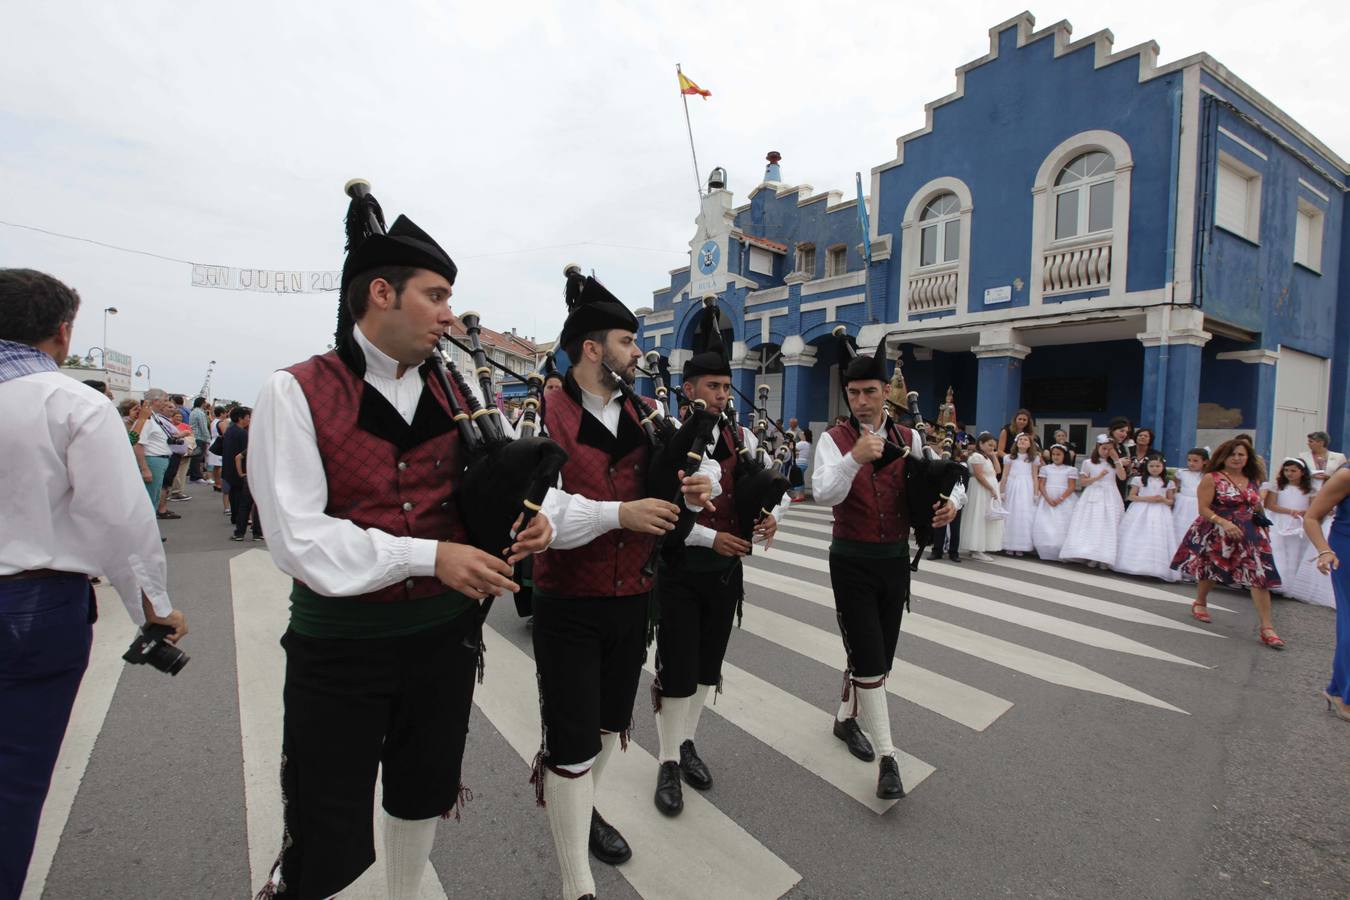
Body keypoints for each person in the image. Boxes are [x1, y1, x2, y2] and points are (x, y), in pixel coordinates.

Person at [247, 193, 551, 899]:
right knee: (325, 820)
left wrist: (533, 522)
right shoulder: (293, 392)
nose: (450, 313)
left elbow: (493, 487)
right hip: (341, 648)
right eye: (436, 295)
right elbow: (297, 539)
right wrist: (429, 557)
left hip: (443, 642)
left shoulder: (460, 386)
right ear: (381, 293)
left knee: (422, 790)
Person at [0, 269, 186, 899]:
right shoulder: (72, 402)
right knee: (11, 782)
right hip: (29, 606)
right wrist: (155, 611)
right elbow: (118, 520)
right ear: (62, 331)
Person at [530, 267, 715, 900]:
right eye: (626, 343)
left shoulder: (642, 411)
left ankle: (583, 811)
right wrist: (620, 514)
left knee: (609, 728)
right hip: (569, 602)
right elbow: (543, 513)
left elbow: (672, 488)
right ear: (591, 349)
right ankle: (575, 882)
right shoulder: (547, 414)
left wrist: (694, 490)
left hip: (633, 598)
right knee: (573, 736)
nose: (637, 353)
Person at [811, 335, 959, 800]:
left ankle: (843, 720)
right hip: (851, 560)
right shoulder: (833, 441)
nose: (860, 401)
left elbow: (949, 477)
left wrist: (951, 505)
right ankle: (889, 757)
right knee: (870, 657)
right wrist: (855, 459)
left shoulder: (911, 437)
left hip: (894, 561)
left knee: (878, 657)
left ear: (884, 392)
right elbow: (823, 493)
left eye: (869, 391)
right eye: (853, 393)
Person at [650, 305, 781, 818]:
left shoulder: (741, 437)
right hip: (681, 572)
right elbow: (665, 512)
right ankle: (665, 759)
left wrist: (772, 516)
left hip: (726, 575)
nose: (722, 396)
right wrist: (712, 541)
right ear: (689, 390)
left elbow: (768, 487)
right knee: (676, 668)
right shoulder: (666, 435)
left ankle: (686, 743)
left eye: (726, 388)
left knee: (707, 668)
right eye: (712, 387)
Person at [1171, 439, 1284, 648]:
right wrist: (1223, 522)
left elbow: (1256, 504)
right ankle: (1201, 601)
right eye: (1232, 454)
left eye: (1241, 454)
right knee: (1212, 569)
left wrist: (1264, 525)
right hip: (1219, 529)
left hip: (1250, 532)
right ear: (1223, 457)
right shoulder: (1211, 478)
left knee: (1259, 575)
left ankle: (1267, 627)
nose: (1237, 458)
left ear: (1248, 457)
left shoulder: (1252, 479)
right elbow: (1203, 508)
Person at [1301, 467, 1350, 721]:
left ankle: (1337, 688)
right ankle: (1344, 695)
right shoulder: (1346, 475)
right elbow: (1312, 517)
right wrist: (1324, 550)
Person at [1060, 435, 1128, 569]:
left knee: (1107, 525)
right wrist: (1097, 477)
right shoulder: (1088, 463)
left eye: (1109, 449)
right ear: (1098, 447)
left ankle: (1104, 557)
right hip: (1093, 493)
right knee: (1092, 523)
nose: (1106, 452)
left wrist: (1116, 460)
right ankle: (1089, 554)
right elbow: (1083, 481)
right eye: (1104, 448)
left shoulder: (1114, 463)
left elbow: (1122, 477)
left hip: (1110, 494)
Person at [1114, 456, 1178, 581]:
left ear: (1163, 467)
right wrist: (1147, 499)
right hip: (1140, 510)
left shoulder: (1168, 482)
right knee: (1137, 534)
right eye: (1152, 466)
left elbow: (1171, 501)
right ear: (1147, 467)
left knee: (1156, 537)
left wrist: (1163, 499)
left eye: (1158, 466)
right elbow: (1131, 497)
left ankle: (1154, 567)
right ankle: (1131, 563)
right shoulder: (1139, 480)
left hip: (1160, 512)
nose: (1154, 469)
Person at [1262, 458, 1314, 592]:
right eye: (1286, 470)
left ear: (1302, 472)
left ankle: (1291, 584)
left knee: (1294, 552)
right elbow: (1270, 505)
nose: (1289, 473)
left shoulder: (1310, 490)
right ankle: (1277, 581)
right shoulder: (1278, 487)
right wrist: (1289, 511)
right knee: (1278, 550)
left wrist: (1304, 512)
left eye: (1293, 471)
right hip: (1279, 521)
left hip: (1298, 523)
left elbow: (1314, 507)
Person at [960, 432, 1005, 561]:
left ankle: (979, 547)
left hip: (987, 487)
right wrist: (991, 488)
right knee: (978, 515)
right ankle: (975, 548)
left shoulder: (986, 457)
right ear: (981, 444)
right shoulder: (976, 457)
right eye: (990, 445)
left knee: (985, 516)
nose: (992, 448)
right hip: (980, 489)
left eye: (994, 446)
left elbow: (997, 471)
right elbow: (979, 475)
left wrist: (993, 456)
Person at [1032, 444, 1078, 561]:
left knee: (1062, 523)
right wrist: (1047, 498)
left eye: (1059, 454)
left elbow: (1071, 487)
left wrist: (1060, 499)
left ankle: (1061, 549)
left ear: (1064, 456)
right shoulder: (1046, 468)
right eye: (1054, 454)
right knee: (1046, 523)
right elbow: (1042, 484)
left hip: (1064, 499)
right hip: (1048, 497)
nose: (1056, 457)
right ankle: (1046, 549)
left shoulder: (1070, 469)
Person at [221, 407, 261, 542]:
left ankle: (239, 533)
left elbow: (238, 456)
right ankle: (257, 533)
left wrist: (242, 473)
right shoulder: (244, 434)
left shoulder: (230, 431)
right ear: (241, 418)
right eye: (248, 417)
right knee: (259, 506)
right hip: (259, 476)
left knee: (243, 503)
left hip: (244, 475)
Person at [1000, 432, 1039, 556]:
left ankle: (1021, 545)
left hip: (1026, 487)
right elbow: (1005, 475)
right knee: (1011, 513)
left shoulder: (1033, 458)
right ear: (1016, 443)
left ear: (1030, 444)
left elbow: (1035, 476)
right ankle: (1008, 544)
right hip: (1012, 485)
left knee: (1023, 515)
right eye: (1020, 439)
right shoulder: (1009, 458)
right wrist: (1002, 490)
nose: (1022, 441)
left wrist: (1036, 492)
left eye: (1025, 440)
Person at [1171, 448, 1208, 552]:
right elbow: (1174, 487)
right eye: (1189, 460)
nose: (1191, 463)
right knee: (1179, 528)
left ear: (1204, 461)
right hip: (1182, 504)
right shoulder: (1181, 473)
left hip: (1198, 504)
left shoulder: (1207, 476)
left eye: (1195, 461)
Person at [188, 396, 211, 483]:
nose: (206, 404)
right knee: (197, 458)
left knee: (195, 458)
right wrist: (208, 438)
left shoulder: (193, 411)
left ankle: (195, 476)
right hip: (199, 438)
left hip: (194, 437)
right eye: (205, 402)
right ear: (202, 403)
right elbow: (203, 427)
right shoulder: (200, 413)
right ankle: (196, 477)